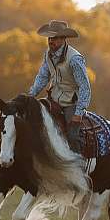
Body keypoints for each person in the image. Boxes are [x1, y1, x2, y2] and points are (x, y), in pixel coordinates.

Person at [28, 20, 91, 153]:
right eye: (49, 38)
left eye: (55, 38)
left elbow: (85, 87)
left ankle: (78, 167)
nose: (51, 41)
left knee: (73, 137)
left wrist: (78, 113)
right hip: (53, 99)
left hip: (71, 103)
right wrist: (30, 96)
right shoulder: (48, 54)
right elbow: (42, 77)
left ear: (63, 39)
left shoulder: (74, 59)